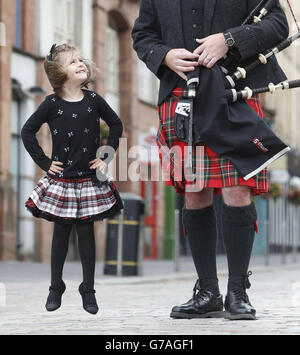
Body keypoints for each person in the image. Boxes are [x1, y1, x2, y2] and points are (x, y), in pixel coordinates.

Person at [132, 0, 289, 320]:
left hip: (236, 93)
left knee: (237, 188)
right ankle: (207, 291)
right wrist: (164, 55)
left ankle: (237, 291)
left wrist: (229, 40)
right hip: (181, 94)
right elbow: (143, 34)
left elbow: (278, 24)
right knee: (195, 191)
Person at [21, 44, 123, 315]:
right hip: (62, 180)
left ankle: (87, 289)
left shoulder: (94, 99)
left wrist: (106, 155)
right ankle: (56, 286)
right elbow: (27, 131)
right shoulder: (51, 104)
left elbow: (116, 125)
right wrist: (44, 162)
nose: (80, 64)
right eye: (72, 62)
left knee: (86, 233)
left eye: (81, 60)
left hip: (89, 179)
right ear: (59, 73)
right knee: (61, 232)